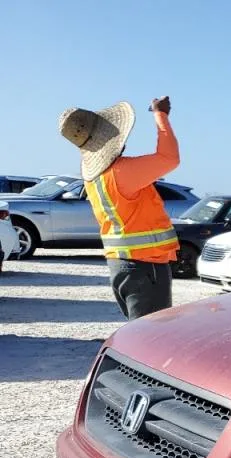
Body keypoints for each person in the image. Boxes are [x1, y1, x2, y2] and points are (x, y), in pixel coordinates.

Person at [57, 96, 180, 319]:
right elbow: (169, 158)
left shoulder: (95, 178)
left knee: (139, 333)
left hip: (122, 264)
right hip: (145, 266)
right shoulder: (121, 172)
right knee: (150, 338)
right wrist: (160, 115)